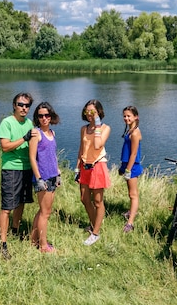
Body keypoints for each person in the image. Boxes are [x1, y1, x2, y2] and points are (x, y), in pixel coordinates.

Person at [0, 92, 38, 260]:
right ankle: (2, 242)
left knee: (21, 202)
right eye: (21, 104)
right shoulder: (7, 122)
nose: (24, 108)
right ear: (14, 105)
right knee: (7, 206)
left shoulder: (29, 123)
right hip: (11, 169)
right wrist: (24, 138)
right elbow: (5, 147)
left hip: (27, 168)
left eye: (27, 105)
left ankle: (15, 230)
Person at [74, 99, 111, 246]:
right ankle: (94, 223)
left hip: (97, 166)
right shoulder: (83, 129)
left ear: (99, 112)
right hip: (85, 166)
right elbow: (81, 148)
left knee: (97, 201)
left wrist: (97, 125)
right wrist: (77, 167)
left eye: (93, 112)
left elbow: (97, 145)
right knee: (84, 198)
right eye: (87, 111)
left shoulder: (105, 128)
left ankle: (95, 233)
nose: (89, 114)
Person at [28, 102, 62, 253]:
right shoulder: (36, 134)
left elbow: (52, 156)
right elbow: (32, 158)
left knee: (43, 210)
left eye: (47, 115)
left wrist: (58, 172)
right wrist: (39, 179)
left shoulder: (52, 133)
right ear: (37, 118)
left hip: (53, 176)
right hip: (43, 178)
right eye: (40, 116)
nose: (44, 118)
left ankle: (33, 239)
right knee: (45, 213)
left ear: (51, 116)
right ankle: (43, 246)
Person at [118, 106, 143, 233]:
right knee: (130, 193)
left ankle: (130, 223)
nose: (126, 118)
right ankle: (130, 212)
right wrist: (122, 167)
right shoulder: (130, 130)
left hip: (132, 167)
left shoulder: (135, 132)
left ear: (135, 117)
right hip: (127, 165)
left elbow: (133, 154)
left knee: (133, 195)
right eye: (124, 116)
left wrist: (128, 170)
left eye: (129, 116)